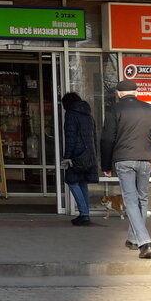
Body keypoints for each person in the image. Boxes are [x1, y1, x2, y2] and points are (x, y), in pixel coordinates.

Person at [99, 79, 151, 259]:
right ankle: (134, 239)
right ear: (136, 92)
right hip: (145, 159)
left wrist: (105, 164)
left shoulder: (115, 110)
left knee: (131, 200)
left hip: (123, 159)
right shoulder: (150, 109)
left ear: (119, 93)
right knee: (142, 198)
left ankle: (145, 243)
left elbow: (107, 139)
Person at [60, 92, 98, 226]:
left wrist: (67, 157)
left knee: (72, 181)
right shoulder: (88, 116)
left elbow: (70, 138)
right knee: (82, 183)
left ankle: (84, 214)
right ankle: (85, 213)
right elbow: (94, 137)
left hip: (76, 155)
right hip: (89, 155)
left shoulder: (71, 115)